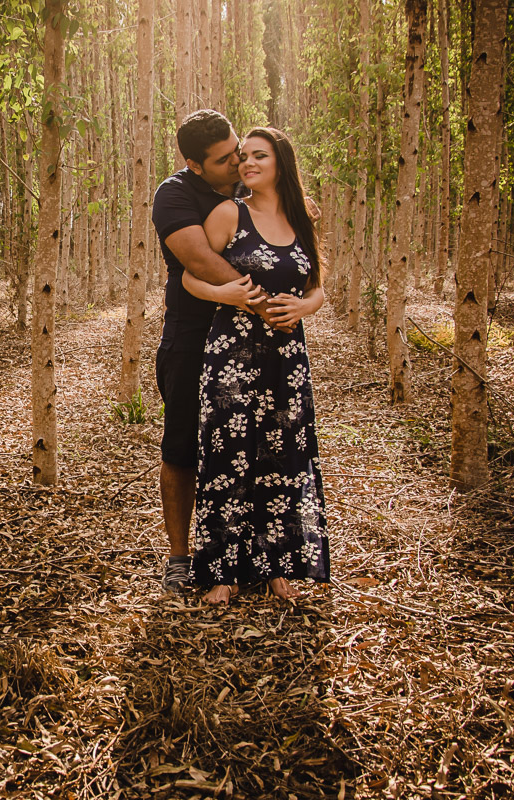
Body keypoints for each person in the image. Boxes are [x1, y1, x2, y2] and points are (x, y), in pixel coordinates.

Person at [180, 126, 330, 604]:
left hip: (287, 359)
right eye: (244, 156)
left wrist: (307, 307)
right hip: (234, 356)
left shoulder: (304, 217)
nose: (247, 164)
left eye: (259, 156)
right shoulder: (231, 213)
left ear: (281, 162)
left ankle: (276, 567)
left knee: (281, 457)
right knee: (229, 456)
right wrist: (223, 292)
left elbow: (318, 286)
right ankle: (221, 572)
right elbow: (190, 275)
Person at [151, 110, 286, 593]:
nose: (237, 163)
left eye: (238, 150)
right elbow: (198, 259)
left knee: (258, 445)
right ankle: (180, 557)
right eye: (225, 159)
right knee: (183, 446)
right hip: (192, 336)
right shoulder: (175, 194)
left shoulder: (250, 183)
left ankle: (255, 556)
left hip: (254, 341)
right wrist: (261, 299)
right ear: (194, 163)